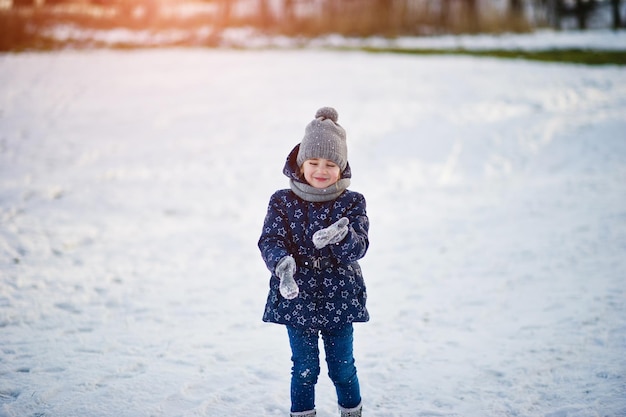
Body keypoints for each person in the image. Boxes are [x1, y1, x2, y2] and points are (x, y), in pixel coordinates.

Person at [258, 107, 370, 417]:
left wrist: (340, 238)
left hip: (340, 295)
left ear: (342, 167)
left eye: (331, 164)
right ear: (300, 163)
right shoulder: (282, 201)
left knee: (342, 368)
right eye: (314, 162)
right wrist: (281, 264)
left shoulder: (352, 202)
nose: (321, 170)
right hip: (298, 299)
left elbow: (359, 247)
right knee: (304, 369)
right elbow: (271, 239)